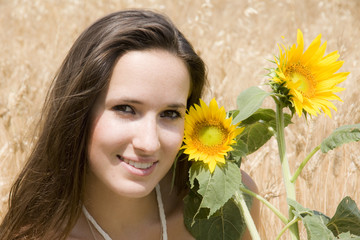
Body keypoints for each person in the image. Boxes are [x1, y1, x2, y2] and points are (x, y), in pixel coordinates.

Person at [0, 9, 259, 240]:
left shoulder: (229, 204)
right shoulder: (38, 235)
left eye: (170, 113)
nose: (149, 143)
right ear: (79, 114)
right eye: (126, 109)